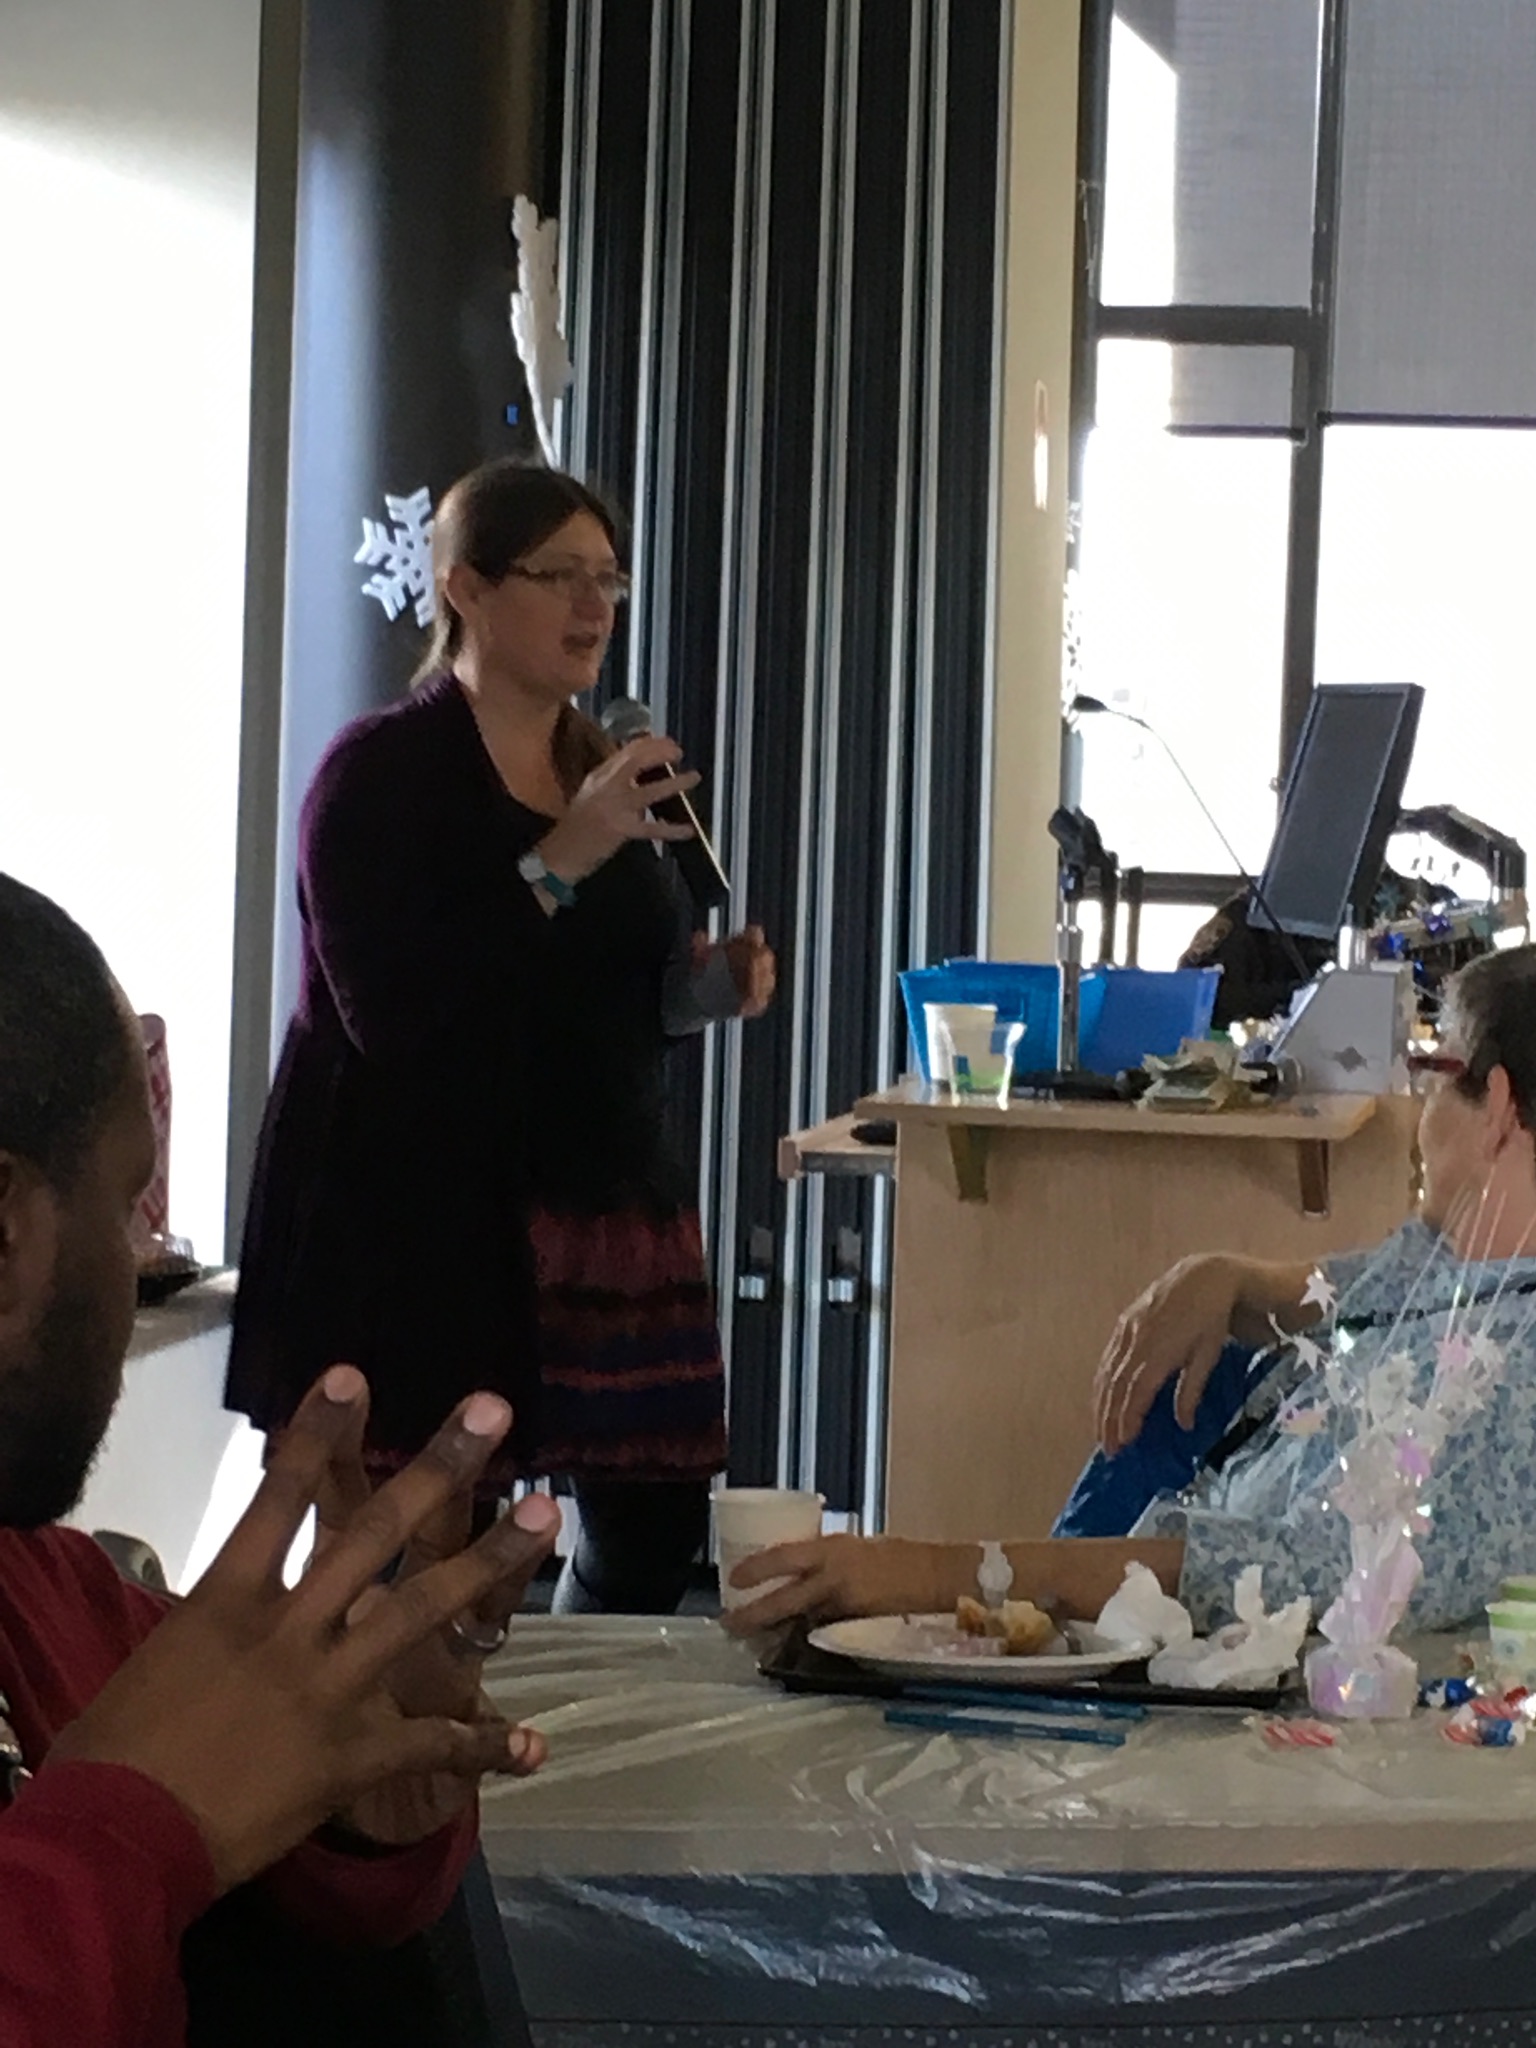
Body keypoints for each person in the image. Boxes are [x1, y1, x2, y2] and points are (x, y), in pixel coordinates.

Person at [0, 870, 566, 2046]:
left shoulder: (56, 1604)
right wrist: (120, 1835)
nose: (140, 1254)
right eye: (128, 1202)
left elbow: (267, 1896)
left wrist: (356, 1795)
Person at [227, 461, 775, 1616]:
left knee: (652, 1531)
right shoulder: (377, 774)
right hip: (423, 1219)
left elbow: (609, 994)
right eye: (559, 574)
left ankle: (568, 1720)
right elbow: (397, 1015)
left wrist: (704, 991)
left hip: (608, 1206)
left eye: (608, 579)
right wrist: (560, 857)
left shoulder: (602, 766)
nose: (593, 605)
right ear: (465, 587)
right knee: (417, 1546)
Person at [725, 948, 1536, 1639]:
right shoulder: (1450, 1265)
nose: (1419, 1112)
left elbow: (1290, 1581)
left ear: (1496, 1107)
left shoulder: (1512, 1385)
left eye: (1434, 1074)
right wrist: (1227, 1277)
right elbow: (1350, 1294)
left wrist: (940, 1577)